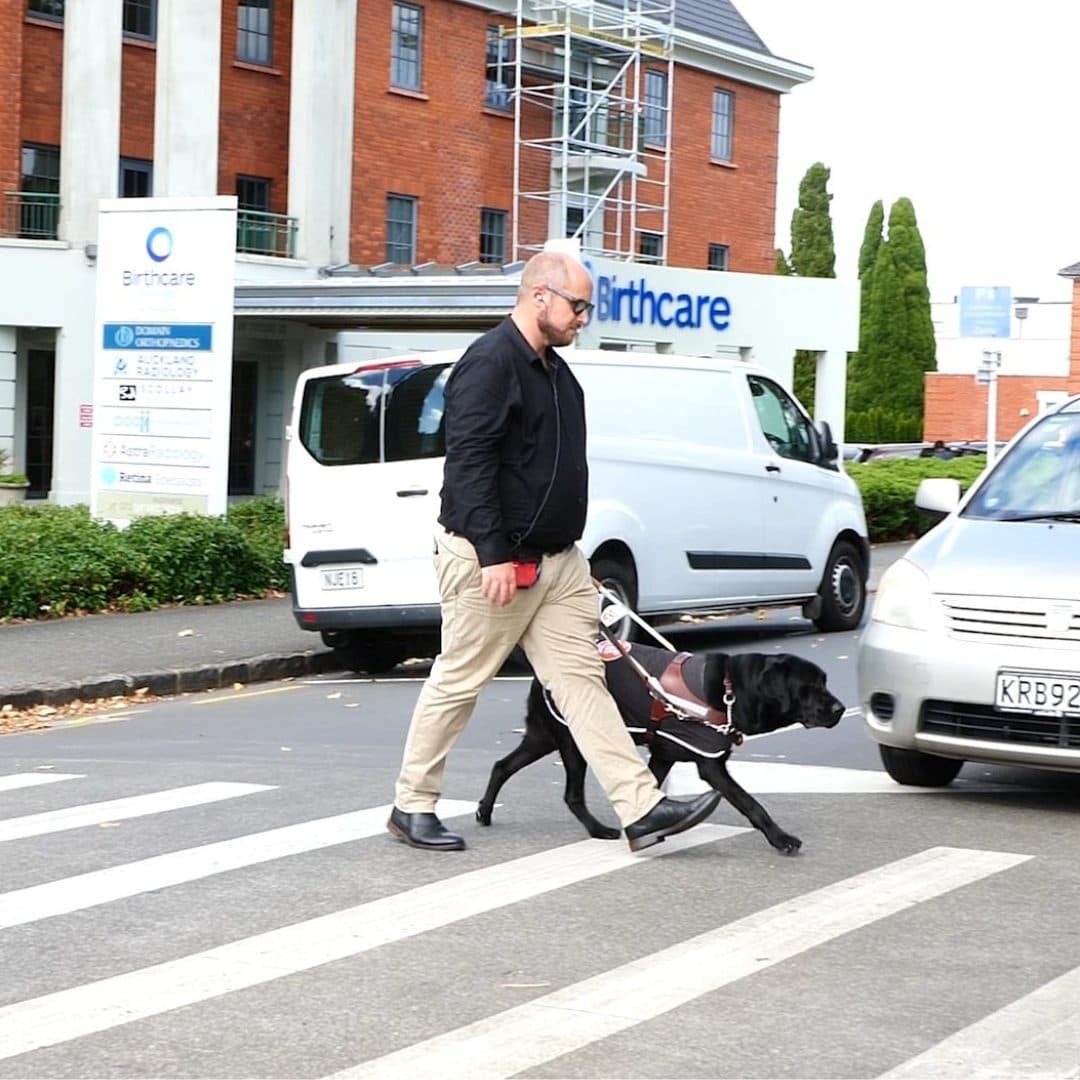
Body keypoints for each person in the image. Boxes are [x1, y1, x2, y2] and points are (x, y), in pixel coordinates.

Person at [388, 250, 720, 853]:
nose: (583, 318)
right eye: (577, 305)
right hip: (494, 559)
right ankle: (411, 804)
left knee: (583, 681)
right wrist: (491, 554)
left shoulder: (558, 374)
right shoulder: (489, 365)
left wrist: (576, 559)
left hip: (560, 563)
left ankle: (640, 808)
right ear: (539, 296)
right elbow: (469, 467)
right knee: (460, 681)